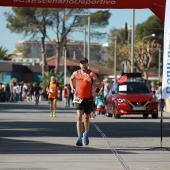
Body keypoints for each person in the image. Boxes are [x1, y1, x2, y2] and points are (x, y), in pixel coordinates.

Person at [70, 57, 102, 146]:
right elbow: (71, 79)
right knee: (79, 116)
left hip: (88, 99)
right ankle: (79, 138)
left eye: (85, 63)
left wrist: (92, 81)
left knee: (86, 117)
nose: (83, 65)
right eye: (81, 63)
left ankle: (86, 134)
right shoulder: (76, 73)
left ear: (87, 64)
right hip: (78, 98)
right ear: (79, 65)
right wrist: (72, 88)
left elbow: (99, 85)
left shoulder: (91, 74)